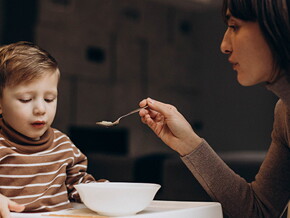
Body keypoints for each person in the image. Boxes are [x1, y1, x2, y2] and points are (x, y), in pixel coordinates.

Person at [139, 0, 290, 217]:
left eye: (235, 26)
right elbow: (258, 211)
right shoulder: (284, 113)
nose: (224, 45)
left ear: (279, 23)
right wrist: (189, 143)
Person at [0, 41, 101, 217]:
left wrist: (102, 192)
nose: (41, 109)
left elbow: (78, 185)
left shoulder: (63, 144)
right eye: (25, 99)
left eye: (49, 99)